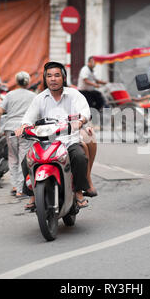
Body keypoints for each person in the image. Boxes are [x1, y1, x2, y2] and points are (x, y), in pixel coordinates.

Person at [15, 61, 92, 210]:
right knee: (27, 161)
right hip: (46, 143)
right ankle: (32, 193)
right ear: (45, 79)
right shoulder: (40, 98)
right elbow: (28, 118)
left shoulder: (73, 94)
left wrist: (80, 121)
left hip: (69, 141)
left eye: (57, 75)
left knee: (79, 157)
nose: (53, 79)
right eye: (49, 76)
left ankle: (78, 191)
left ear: (63, 78)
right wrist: (23, 127)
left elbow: (85, 112)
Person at [0, 71, 36, 199]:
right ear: (28, 82)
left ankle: (15, 186)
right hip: (25, 129)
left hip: (10, 129)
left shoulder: (9, 95)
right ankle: (20, 189)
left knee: (13, 158)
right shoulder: (33, 96)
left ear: (17, 81)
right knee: (23, 158)